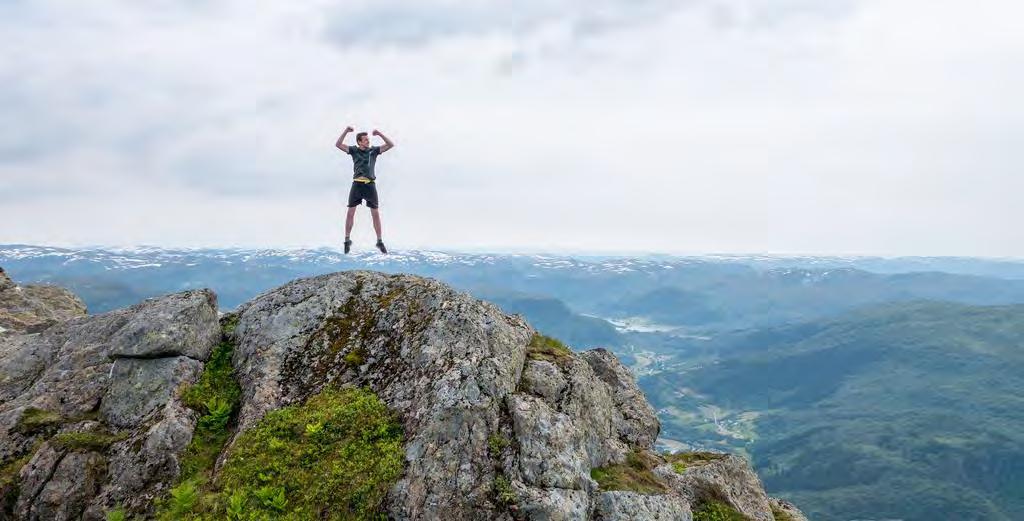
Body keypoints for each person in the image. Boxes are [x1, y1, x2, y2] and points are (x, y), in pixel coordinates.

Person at [335, 125, 395, 254]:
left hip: (370, 185)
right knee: (350, 212)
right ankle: (347, 240)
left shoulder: (373, 151)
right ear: (359, 142)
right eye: (366, 140)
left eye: (368, 139)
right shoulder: (353, 150)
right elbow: (338, 144)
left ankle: (379, 241)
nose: (368, 141)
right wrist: (346, 131)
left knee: (375, 214)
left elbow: (390, 144)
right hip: (357, 184)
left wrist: (379, 133)